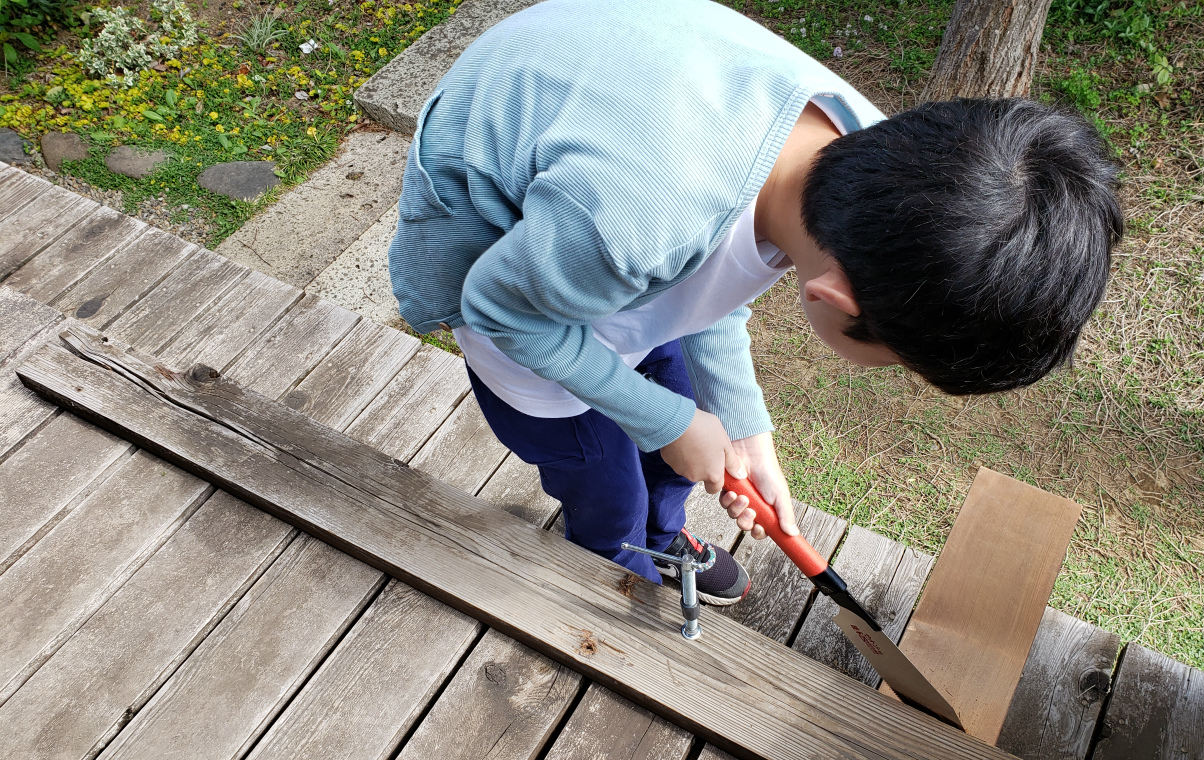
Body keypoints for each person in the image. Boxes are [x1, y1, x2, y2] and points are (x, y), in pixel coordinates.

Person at [388, 0, 1123, 605]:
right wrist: (672, 420)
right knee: (605, 482)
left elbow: (720, 277)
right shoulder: (637, 218)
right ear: (831, 297)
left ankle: (664, 534)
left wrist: (743, 429)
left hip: (592, 232)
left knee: (678, 455)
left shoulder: (867, 155)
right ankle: (613, 557)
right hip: (514, 276)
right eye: (893, 358)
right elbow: (502, 312)